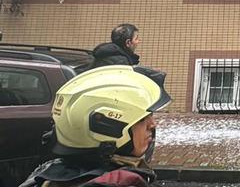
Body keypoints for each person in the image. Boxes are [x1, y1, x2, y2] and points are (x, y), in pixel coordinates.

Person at [20, 65, 171, 187]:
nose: (152, 124)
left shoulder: (48, 176)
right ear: (107, 127)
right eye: (142, 119)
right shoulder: (121, 183)